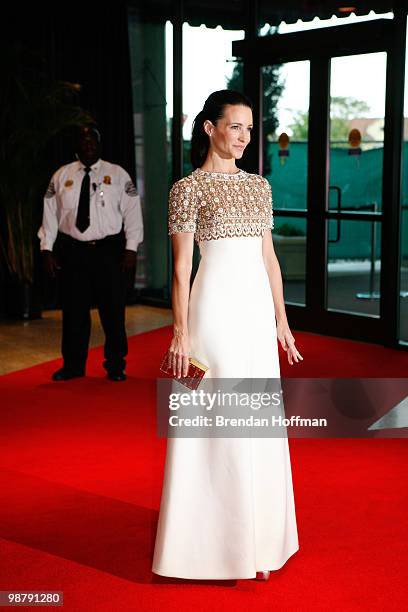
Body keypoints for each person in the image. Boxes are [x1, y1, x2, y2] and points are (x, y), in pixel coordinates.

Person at [152, 90, 303, 581]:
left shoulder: (259, 187)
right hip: (212, 311)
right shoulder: (187, 189)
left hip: (256, 314)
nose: (244, 136)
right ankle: (212, 543)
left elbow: (269, 259)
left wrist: (280, 319)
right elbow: (180, 269)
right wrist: (181, 333)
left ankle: (256, 540)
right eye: (234, 126)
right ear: (209, 128)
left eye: (249, 128)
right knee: (215, 415)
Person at [38, 126, 143, 382]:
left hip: (108, 252)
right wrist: (46, 249)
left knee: (113, 311)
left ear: (99, 144)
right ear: (76, 145)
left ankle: (116, 364)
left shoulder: (117, 174)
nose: (88, 145)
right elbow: (50, 215)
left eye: (92, 140)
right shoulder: (62, 175)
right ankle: (73, 365)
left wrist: (131, 247)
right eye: (83, 140)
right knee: (74, 312)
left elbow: (132, 213)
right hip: (73, 252)